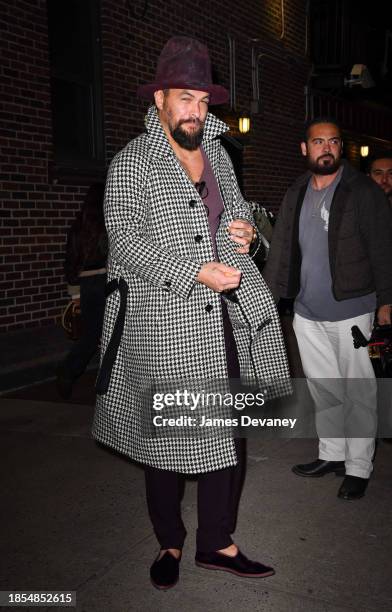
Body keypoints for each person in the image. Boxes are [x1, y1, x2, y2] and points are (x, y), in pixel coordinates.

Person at [92, 36, 290, 590]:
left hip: (226, 314)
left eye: (204, 102)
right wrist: (193, 271)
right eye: (185, 99)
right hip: (165, 324)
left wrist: (248, 235)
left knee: (228, 432)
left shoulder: (221, 156)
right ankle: (170, 540)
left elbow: (236, 219)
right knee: (168, 440)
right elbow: (126, 246)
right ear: (159, 99)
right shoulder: (133, 162)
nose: (196, 112)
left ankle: (218, 543)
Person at [263, 117, 392, 501]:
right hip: (307, 312)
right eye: (318, 142)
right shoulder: (297, 191)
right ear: (305, 149)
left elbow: (383, 249)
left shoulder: (361, 191)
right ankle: (332, 454)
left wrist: (386, 299)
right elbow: (282, 249)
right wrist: (268, 300)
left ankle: (358, 467)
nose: (326, 148)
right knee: (323, 389)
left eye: (333, 142)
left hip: (353, 310)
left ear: (341, 148)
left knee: (358, 391)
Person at [57, 183, 108, 400]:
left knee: (90, 335)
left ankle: (69, 372)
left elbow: (70, 261)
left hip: (87, 284)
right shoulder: (109, 223)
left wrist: (75, 294)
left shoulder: (79, 226)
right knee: (113, 333)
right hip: (108, 281)